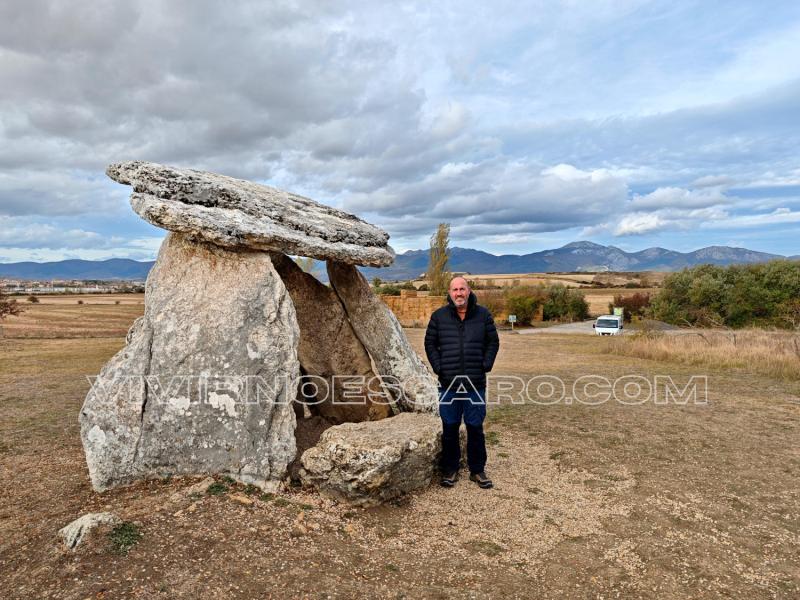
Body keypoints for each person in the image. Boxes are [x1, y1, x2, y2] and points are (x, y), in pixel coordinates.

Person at [424, 276, 499, 489]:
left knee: (475, 427)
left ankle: (478, 470)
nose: (459, 293)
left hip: (475, 383)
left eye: (462, 289)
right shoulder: (439, 317)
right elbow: (430, 343)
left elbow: (493, 342)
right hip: (449, 384)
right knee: (450, 427)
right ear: (450, 293)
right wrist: (439, 367)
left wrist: (486, 363)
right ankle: (450, 469)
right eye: (455, 289)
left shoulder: (483, 315)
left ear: (469, 291)